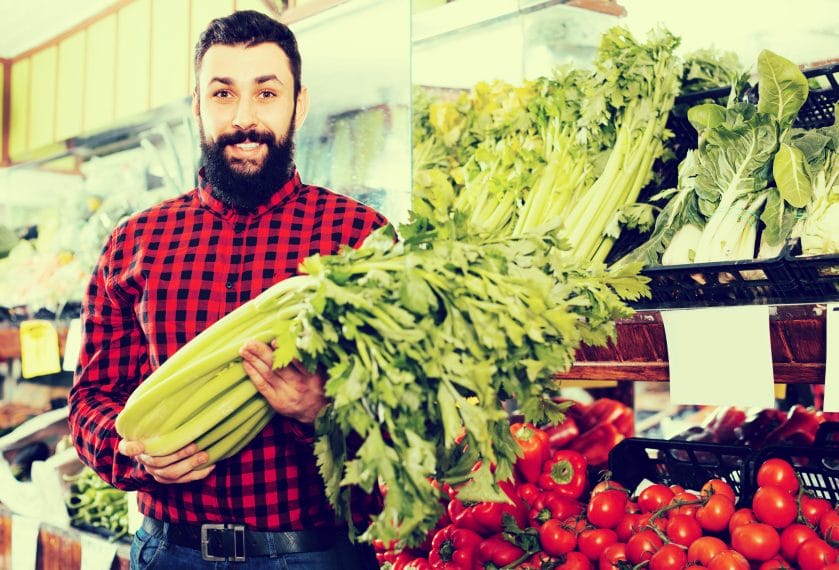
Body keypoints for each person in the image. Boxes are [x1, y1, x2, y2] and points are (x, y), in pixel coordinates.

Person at [68, 10, 387, 569]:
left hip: (315, 553)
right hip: (170, 551)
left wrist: (328, 409)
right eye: (222, 94)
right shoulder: (134, 243)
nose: (244, 118)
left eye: (267, 92)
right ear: (196, 105)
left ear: (299, 103)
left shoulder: (361, 240)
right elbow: (90, 399)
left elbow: (416, 420)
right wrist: (135, 455)